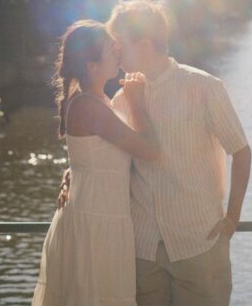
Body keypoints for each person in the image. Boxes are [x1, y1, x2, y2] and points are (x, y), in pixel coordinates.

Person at [108, 0, 251, 306]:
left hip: (199, 241)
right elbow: (107, 161)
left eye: (120, 45)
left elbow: (241, 151)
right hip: (143, 248)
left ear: (144, 45)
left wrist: (232, 219)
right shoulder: (121, 98)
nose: (114, 53)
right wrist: (71, 177)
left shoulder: (204, 87)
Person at [31, 19, 159, 306]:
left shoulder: (99, 99)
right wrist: (137, 102)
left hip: (103, 216)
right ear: (91, 65)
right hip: (94, 224)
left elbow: (92, 156)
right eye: (109, 49)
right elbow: (150, 150)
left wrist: (70, 173)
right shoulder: (89, 106)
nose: (117, 52)